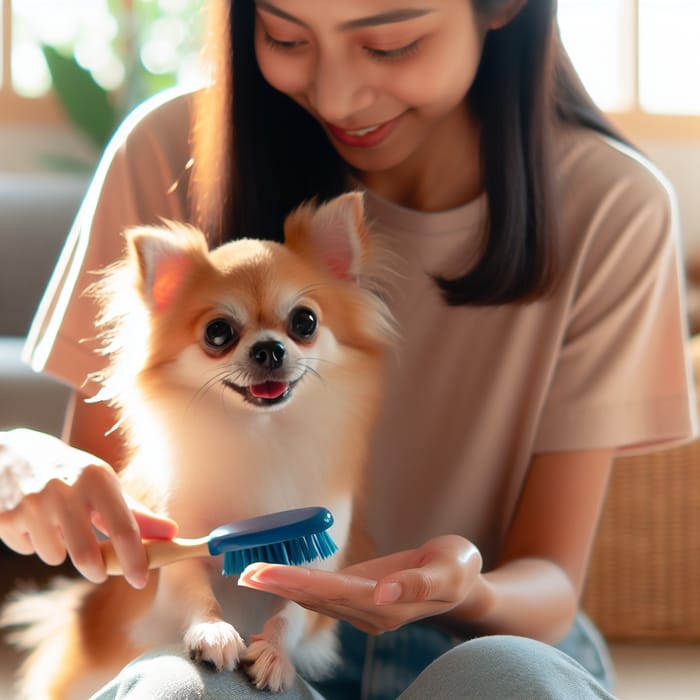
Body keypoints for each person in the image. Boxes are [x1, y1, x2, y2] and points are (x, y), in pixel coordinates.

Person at [0, 0, 696, 697]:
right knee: (181, 689)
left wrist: (464, 587)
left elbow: (551, 585)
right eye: (286, 36)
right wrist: (24, 465)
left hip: (482, 638)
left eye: (391, 43)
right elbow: (114, 528)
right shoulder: (170, 149)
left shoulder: (612, 207)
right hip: (230, 633)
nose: (335, 95)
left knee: (514, 678)